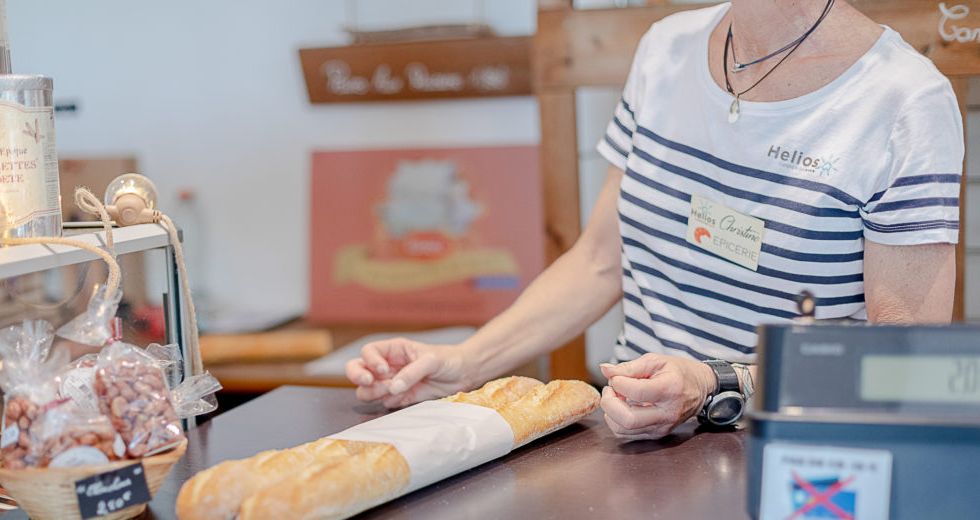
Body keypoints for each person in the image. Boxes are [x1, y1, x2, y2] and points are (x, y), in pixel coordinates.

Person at [345, 0, 963, 440]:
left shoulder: (906, 101)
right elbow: (599, 261)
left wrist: (715, 385)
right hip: (631, 444)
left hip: (791, 459)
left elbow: (899, 363)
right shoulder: (666, 49)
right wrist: (468, 363)